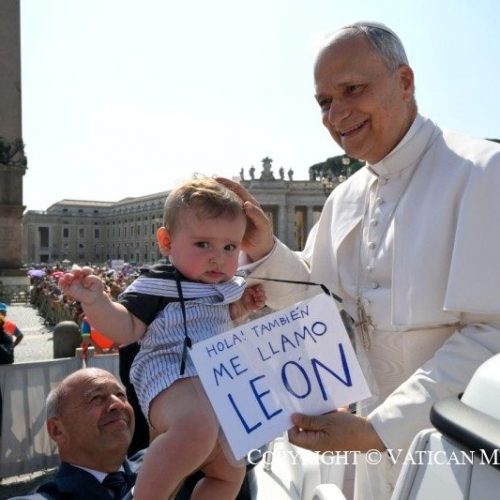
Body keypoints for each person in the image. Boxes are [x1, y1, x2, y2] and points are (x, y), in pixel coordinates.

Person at [218, 21, 500, 499]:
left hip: (459, 451)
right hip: (361, 443)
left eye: (352, 89)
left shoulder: (482, 172)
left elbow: (492, 333)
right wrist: (265, 249)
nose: (337, 113)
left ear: (404, 82)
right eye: (324, 101)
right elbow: (314, 297)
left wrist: (381, 429)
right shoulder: (344, 197)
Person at [58, 177, 266, 500]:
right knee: (197, 426)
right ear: (167, 242)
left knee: (232, 468)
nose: (218, 257)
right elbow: (125, 327)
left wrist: (243, 307)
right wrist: (96, 302)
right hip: (172, 374)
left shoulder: (225, 288)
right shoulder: (158, 284)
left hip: (215, 380)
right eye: (203, 244)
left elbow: (223, 319)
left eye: (229, 247)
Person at [10, 367, 141, 499]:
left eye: (121, 395)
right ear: (57, 430)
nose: (118, 404)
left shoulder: (151, 465)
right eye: (96, 397)